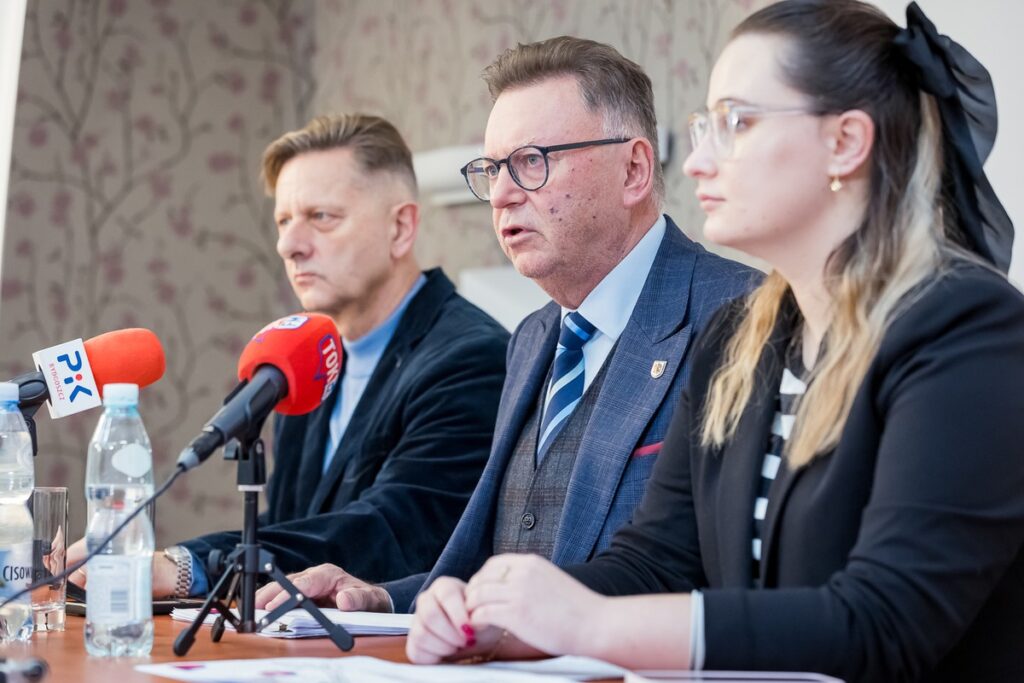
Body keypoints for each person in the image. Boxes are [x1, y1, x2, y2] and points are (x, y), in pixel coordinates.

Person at [408, 2, 1024, 681]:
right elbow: (659, 560)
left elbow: (884, 622)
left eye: (736, 123)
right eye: (705, 127)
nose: (698, 161)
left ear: (846, 141)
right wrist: (508, 614)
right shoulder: (740, 338)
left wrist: (590, 623)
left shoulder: (968, 327)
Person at [254, 37, 758, 616]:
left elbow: (720, 573)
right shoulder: (533, 338)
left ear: (635, 169)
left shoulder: (740, 317)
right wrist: (379, 599)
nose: (501, 194)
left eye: (532, 162)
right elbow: (490, 568)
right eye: (492, 169)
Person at [69, 114, 510, 598]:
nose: (288, 245)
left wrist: (183, 566)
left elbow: (389, 531)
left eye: (322, 217)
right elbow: (292, 526)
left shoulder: (470, 358)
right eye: (283, 220)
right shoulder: (305, 357)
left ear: (401, 227)